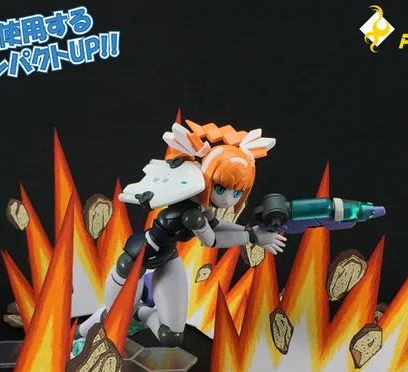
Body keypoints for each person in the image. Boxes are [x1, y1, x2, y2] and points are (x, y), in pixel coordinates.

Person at [73, 120, 286, 352]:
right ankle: (79, 333)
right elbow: (211, 239)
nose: (228, 199)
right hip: (134, 263)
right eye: (221, 189)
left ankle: (140, 312)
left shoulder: (201, 207)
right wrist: (252, 238)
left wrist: (251, 233)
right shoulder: (190, 214)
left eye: (237, 193)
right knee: (114, 319)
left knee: (171, 335)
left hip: (167, 258)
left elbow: (215, 226)